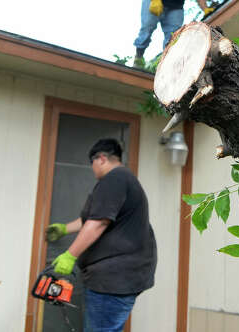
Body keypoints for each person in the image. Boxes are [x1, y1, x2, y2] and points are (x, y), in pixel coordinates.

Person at [45, 138, 157, 332]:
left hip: (113, 279)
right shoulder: (123, 180)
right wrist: (64, 228)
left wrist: (70, 255)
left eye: (92, 164)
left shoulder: (115, 178)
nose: (92, 169)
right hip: (120, 277)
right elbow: (93, 219)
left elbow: (98, 222)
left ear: (102, 158)